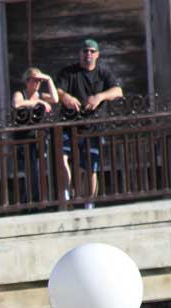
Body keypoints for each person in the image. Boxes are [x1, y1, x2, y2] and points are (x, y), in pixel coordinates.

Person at [55, 38, 123, 207]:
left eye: (92, 51)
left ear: (97, 54)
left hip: (94, 124)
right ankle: (66, 196)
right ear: (80, 54)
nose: (88, 54)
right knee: (63, 157)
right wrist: (66, 97)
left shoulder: (103, 73)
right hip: (70, 123)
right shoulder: (69, 72)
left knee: (91, 166)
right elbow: (57, 90)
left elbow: (118, 91)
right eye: (85, 51)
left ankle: (89, 203)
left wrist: (100, 97)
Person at [11, 67, 59, 204]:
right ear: (27, 81)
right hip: (24, 139)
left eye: (40, 81)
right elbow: (17, 104)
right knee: (31, 171)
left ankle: (37, 200)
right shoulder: (21, 94)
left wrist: (49, 79)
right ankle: (32, 200)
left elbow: (55, 99)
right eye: (35, 81)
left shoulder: (41, 95)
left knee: (38, 170)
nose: (37, 84)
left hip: (39, 138)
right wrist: (38, 103)